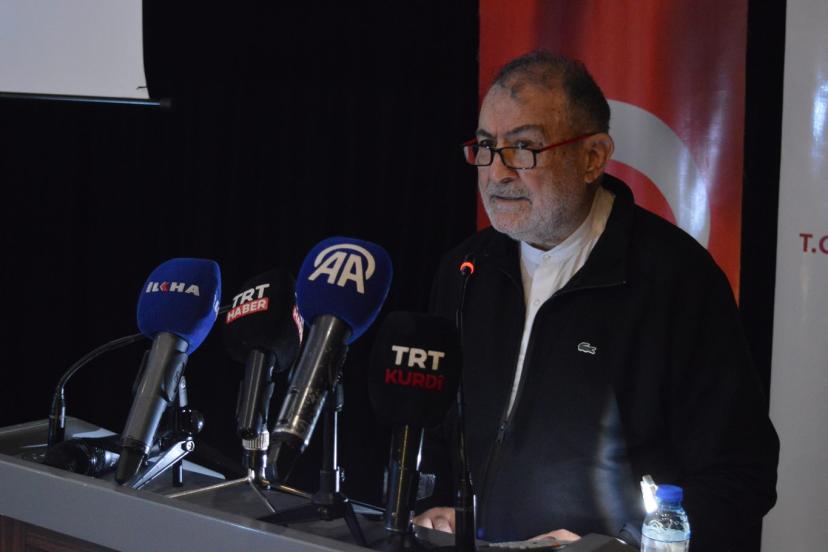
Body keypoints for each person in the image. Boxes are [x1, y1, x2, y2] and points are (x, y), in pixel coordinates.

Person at [414, 51, 779, 551]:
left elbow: (740, 474)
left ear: (592, 157)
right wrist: (436, 507)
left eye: (523, 148)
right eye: (485, 146)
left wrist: (617, 545)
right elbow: (435, 433)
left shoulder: (676, 279)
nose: (496, 173)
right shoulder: (465, 270)